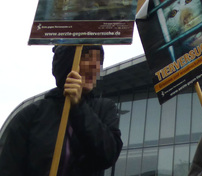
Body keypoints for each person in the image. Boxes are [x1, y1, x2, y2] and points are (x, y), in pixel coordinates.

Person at [0, 44, 122, 176]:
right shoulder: (30, 115)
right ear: (67, 63)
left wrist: (79, 106)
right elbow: (8, 168)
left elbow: (108, 154)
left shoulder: (104, 108)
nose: (96, 67)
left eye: (99, 61)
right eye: (87, 58)